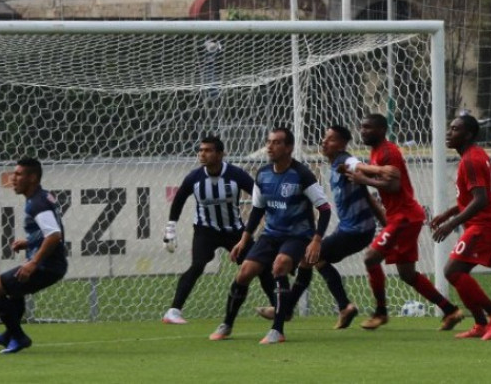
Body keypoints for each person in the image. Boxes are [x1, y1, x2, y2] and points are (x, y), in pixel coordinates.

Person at [208, 126, 331, 345]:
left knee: (280, 265)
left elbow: (324, 209)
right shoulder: (263, 173)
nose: (269, 146)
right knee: (245, 272)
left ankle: (277, 330)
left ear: (289, 147)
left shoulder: (302, 174)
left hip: (298, 235)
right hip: (271, 234)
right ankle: (226, 324)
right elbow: (257, 209)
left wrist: (316, 240)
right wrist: (244, 239)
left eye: (276, 142)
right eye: (269, 142)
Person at [341, 113, 464, 330]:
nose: (363, 131)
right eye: (362, 127)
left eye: (368, 127)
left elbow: (394, 186)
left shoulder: (389, 152)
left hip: (404, 217)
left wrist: (364, 180)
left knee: (371, 258)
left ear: (381, 130)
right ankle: (450, 310)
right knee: (407, 274)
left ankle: (380, 312)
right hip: (403, 217)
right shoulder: (377, 151)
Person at [161, 135, 277, 325]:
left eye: (207, 150)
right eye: (200, 150)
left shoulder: (236, 175)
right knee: (197, 265)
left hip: (235, 232)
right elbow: (179, 199)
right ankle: (173, 311)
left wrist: (272, 217)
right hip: (205, 231)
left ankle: (279, 308)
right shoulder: (195, 178)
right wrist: (170, 227)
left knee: (259, 266)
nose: (202, 154)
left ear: (220, 154)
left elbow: (259, 198)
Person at [282, 125, 383, 329]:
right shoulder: (335, 164)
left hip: (357, 230)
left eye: (330, 139)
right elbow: (366, 195)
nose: (324, 142)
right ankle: (341, 306)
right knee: (315, 259)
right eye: (324, 138)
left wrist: (378, 170)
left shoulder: (346, 161)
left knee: (312, 256)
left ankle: (289, 309)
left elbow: (358, 166)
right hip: (350, 229)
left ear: (343, 144)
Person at [430, 114, 491, 340]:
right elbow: (471, 197)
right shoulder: (471, 156)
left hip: (486, 224)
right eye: (450, 128)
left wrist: (450, 224)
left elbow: (481, 199)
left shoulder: (471, 160)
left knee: (452, 271)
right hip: (484, 222)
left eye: (455, 129)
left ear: (468, 135)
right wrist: (448, 213)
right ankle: (480, 324)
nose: (449, 133)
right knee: (458, 272)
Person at [0, 158, 67, 354]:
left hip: (47, 266)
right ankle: (9, 335)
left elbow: (54, 235)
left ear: (32, 178)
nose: (13, 178)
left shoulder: (36, 204)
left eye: (19, 174)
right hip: (51, 264)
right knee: (14, 291)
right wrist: (29, 243)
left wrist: (34, 263)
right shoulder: (42, 197)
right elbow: (52, 230)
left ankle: (18, 337)